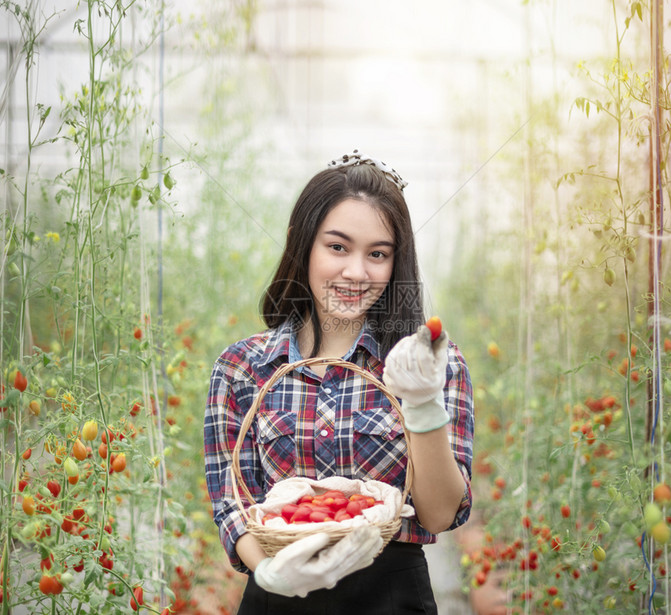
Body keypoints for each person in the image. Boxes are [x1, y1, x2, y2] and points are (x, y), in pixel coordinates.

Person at [203, 150, 475, 614]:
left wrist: (422, 404)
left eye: (377, 254)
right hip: (277, 594)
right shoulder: (242, 367)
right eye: (337, 247)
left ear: (395, 263)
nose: (356, 272)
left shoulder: (427, 365)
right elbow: (231, 502)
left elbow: (438, 514)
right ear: (303, 246)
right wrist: (269, 572)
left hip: (392, 597)